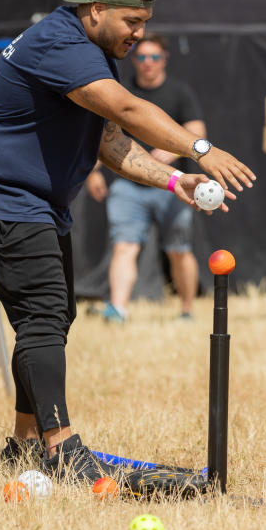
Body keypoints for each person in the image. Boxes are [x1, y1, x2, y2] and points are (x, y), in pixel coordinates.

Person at [0, 0, 255, 483]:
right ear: (96, 10)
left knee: (52, 317)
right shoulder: (60, 43)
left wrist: (178, 183)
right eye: (131, 21)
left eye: (146, 24)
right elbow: (129, 112)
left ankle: (24, 446)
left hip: (32, 201)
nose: (140, 34)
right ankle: (61, 449)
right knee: (42, 314)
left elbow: (111, 142)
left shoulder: (92, 54)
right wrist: (201, 150)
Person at [86, 33, 205, 323]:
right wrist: (93, 172)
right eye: (141, 57)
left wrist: (173, 153)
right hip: (129, 185)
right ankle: (118, 309)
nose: (148, 63)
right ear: (134, 59)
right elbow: (104, 137)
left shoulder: (180, 93)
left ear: (164, 60)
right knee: (124, 246)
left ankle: (187, 311)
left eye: (154, 57)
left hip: (172, 184)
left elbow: (198, 133)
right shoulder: (123, 94)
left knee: (179, 250)